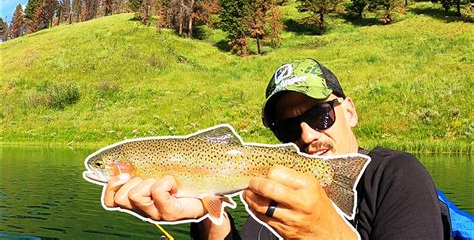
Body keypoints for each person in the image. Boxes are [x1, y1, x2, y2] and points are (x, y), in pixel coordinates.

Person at [103, 58, 448, 239]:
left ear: (350, 111)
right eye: (286, 127)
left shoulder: (396, 176)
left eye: (320, 115)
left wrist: (326, 234)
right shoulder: (271, 195)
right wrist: (209, 213)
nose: (307, 135)